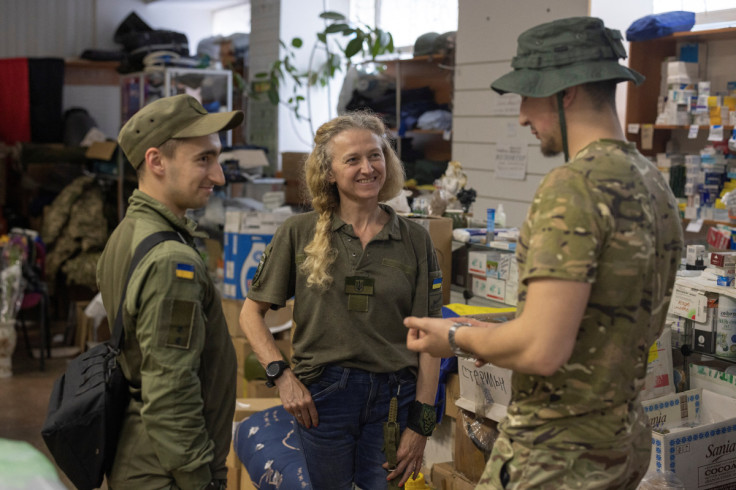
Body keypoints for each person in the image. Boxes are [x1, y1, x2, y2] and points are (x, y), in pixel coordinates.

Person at [404, 17, 684, 489]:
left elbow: (541, 349)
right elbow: (592, 321)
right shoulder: (653, 183)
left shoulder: (573, 187)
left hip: (557, 456)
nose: (521, 116)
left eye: (527, 96)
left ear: (566, 91)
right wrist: (498, 329)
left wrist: (453, 337)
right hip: (618, 443)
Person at [240, 111, 443, 489]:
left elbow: (429, 339)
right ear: (329, 172)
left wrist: (423, 424)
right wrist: (281, 377)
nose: (368, 168)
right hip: (323, 397)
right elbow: (250, 315)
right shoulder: (298, 233)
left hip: (393, 399)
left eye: (376, 155)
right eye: (352, 160)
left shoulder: (416, 240)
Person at [97, 94, 242, 490]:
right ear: (156, 161)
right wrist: (200, 479)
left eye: (217, 159)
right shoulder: (169, 262)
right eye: (203, 160)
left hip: (145, 456)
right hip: (166, 472)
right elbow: (169, 389)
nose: (219, 177)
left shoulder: (129, 232)